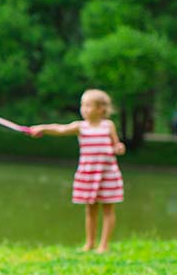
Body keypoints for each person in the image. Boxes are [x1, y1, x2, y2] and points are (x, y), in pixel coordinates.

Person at [28, 89, 126, 253]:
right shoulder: (80, 127)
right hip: (88, 174)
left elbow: (116, 144)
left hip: (107, 174)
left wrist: (119, 147)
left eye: (88, 105)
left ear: (101, 109)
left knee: (108, 209)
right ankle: (89, 243)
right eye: (83, 105)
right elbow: (60, 129)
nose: (84, 109)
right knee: (90, 209)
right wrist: (43, 128)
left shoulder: (108, 126)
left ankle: (104, 245)